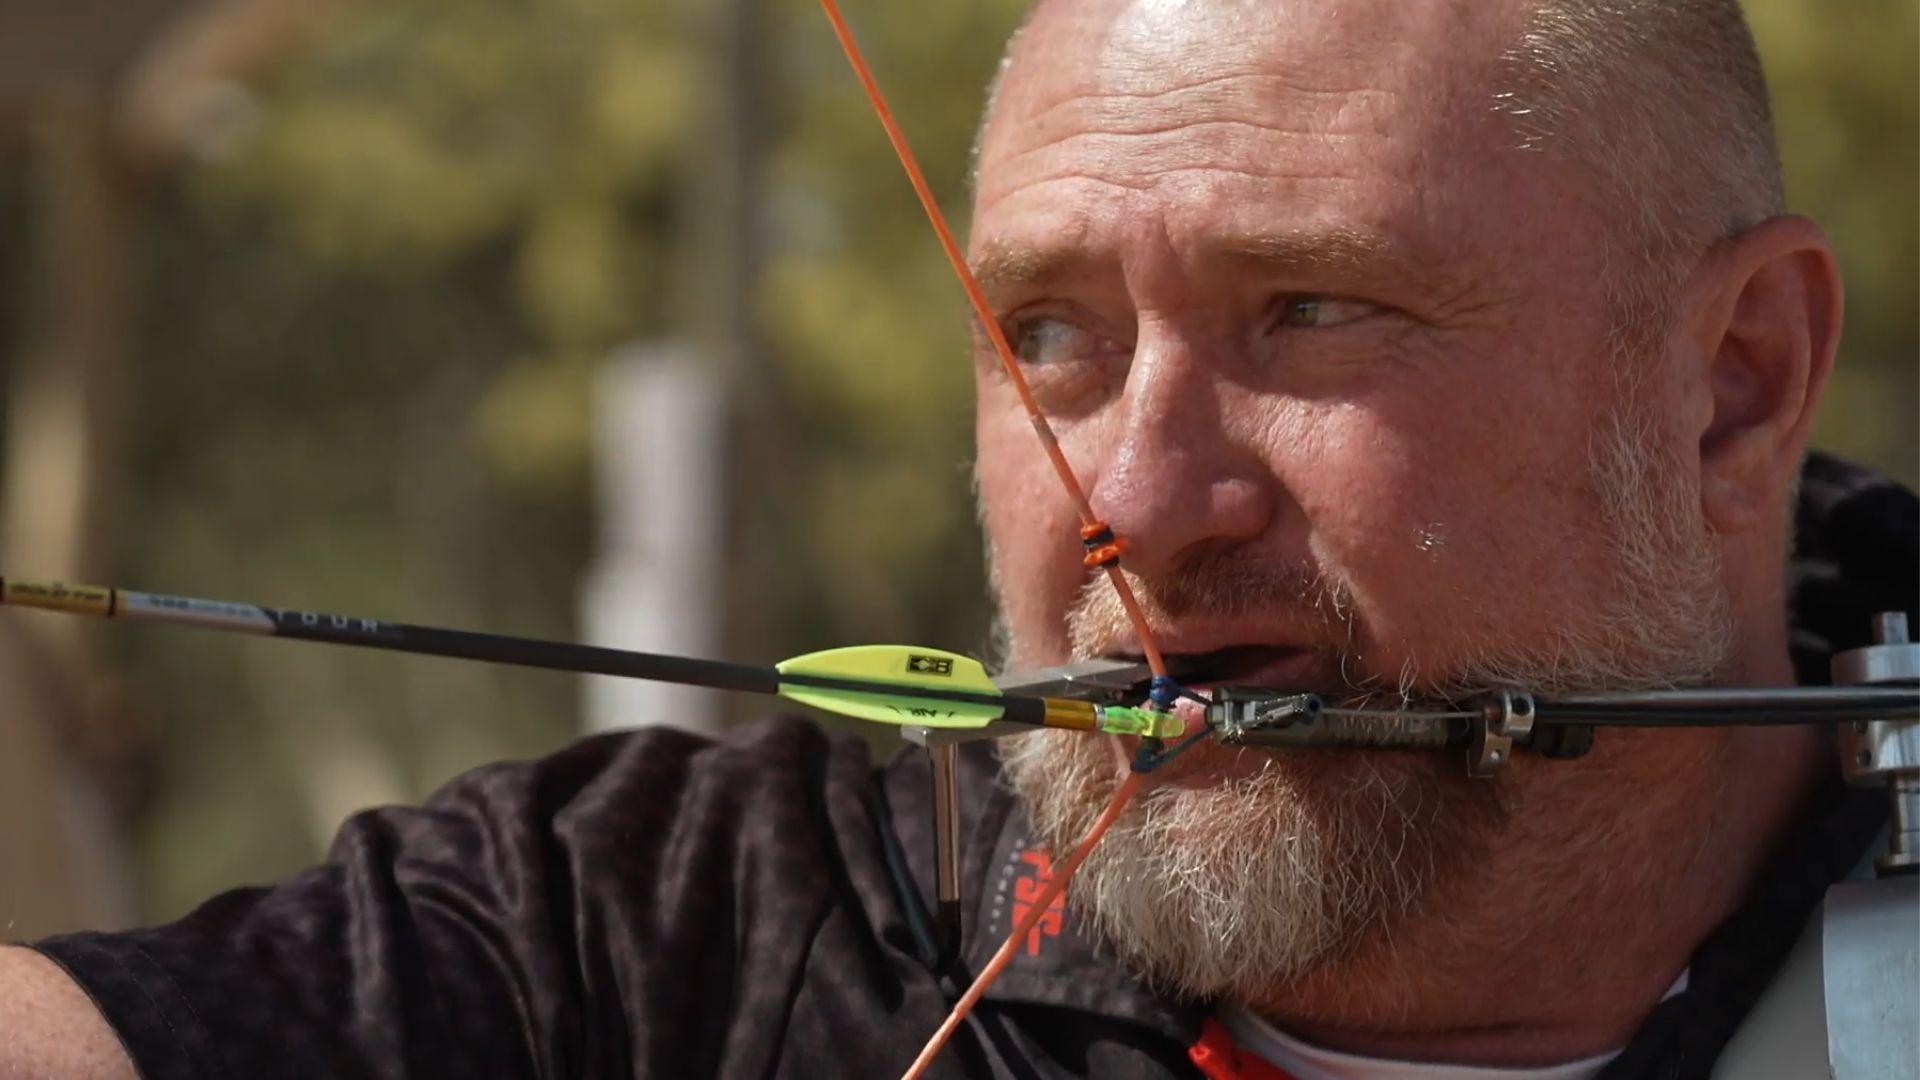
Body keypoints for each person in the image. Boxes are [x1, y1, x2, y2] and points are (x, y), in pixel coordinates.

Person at [3, 0, 1913, 1076]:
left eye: (1314, 315)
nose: (1144, 505)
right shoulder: (666, 943)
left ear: (1733, 385)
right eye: (1050, 339)